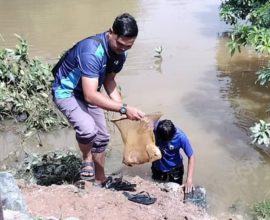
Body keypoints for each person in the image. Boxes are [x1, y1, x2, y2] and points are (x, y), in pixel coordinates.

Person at [51, 13, 144, 185]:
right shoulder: (92, 51)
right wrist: (123, 109)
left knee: (101, 137)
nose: (122, 49)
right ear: (111, 32)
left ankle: (99, 178)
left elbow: (109, 81)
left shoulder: (121, 54)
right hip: (68, 92)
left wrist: (124, 108)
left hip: (91, 89)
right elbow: (90, 95)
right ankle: (86, 159)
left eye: (128, 46)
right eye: (119, 44)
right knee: (88, 130)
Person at [152, 119, 196, 193]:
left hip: (175, 171)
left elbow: (191, 156)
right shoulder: (155, 129)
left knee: (176, 192)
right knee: (156, 190)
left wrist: (189, 179)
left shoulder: (181, 137)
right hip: (158, 169)